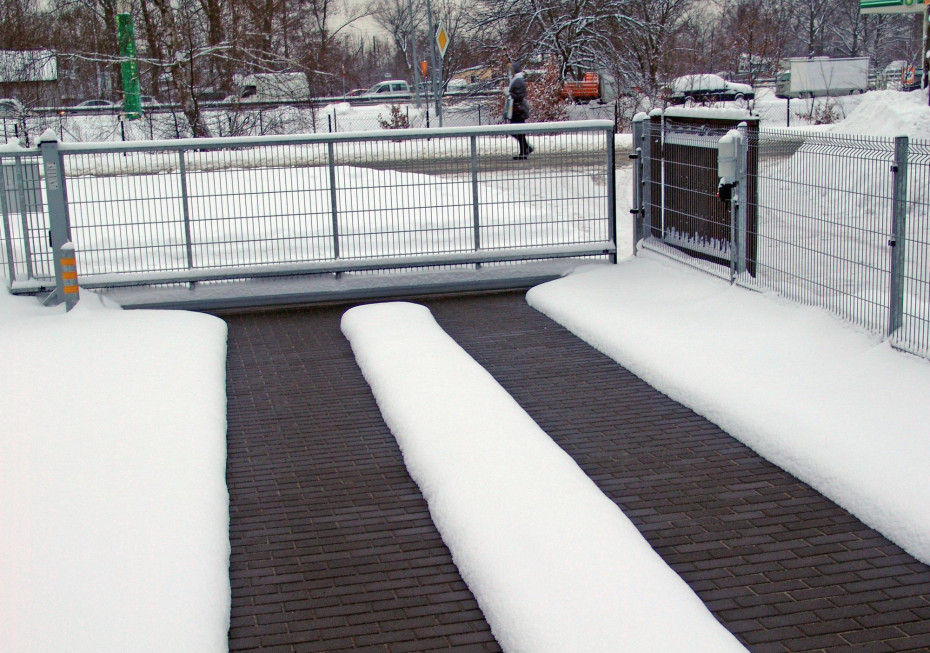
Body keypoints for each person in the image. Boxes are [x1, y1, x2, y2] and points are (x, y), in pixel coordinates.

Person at [507, 62, 533, 159]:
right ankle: (525, 150)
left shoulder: (518, 81)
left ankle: (525, 149)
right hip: (517, 109)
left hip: (518, 110)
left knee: (516, 131)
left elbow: (519, 96)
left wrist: (509, 94)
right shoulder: (517, 80)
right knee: (518, 132)